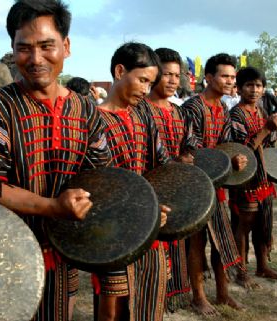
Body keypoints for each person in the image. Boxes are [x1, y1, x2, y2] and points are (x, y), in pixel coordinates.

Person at [0, 1, 110, 321]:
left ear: (65, 47)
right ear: (12, 49)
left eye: (46, 46)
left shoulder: (86, 111)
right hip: (4, 254)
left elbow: (100, 177)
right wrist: (53, 206)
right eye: (24, 48)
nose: (36, 59)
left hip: (65, 254)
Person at [93, 42, 171, 321]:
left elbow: (160, 165)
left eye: (150, 83)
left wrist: (157, 205)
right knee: (111, 305)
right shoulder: (93, 120)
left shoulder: (143, 116)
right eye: (142, 80)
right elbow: (97, 182)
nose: (146, 90)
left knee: (148, 298)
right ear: (119, 71)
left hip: (147, 223)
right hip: (110, 228)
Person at [180, 53, 247, 316]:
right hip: (195, 184)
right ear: (209, 78)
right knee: (197, 242)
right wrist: (221, 158)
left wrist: (236, 158)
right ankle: (198, 296)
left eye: (233, 76)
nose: (231, 81)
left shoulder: (223, 109)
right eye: (225, 76)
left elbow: (226, 145)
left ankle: (223, 293)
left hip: (217, 185)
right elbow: (189, 147)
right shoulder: (192, 108)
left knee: (221, 238)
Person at [138, 47, 196, 312]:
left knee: (177, 245)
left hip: (176, 188)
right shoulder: (140, 110)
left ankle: (170, 298)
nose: (173, 80)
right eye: (167, 74)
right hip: (148, 190)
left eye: (176, 75)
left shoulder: (179, 112)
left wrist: (188, 157)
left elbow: (191, 145)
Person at [228, 67, 277, 288]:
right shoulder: (235, 114)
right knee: (245, 224)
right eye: (249, 85)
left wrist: (274, 129)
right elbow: (243, 151)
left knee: (263, 221)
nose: (254, 90)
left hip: (264, 176)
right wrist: (265, 130)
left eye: (258, 85)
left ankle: (262, 265)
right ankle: (241, 271)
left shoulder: (261, 111)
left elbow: (270, 144)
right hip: (245, 178)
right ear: (239, 88)